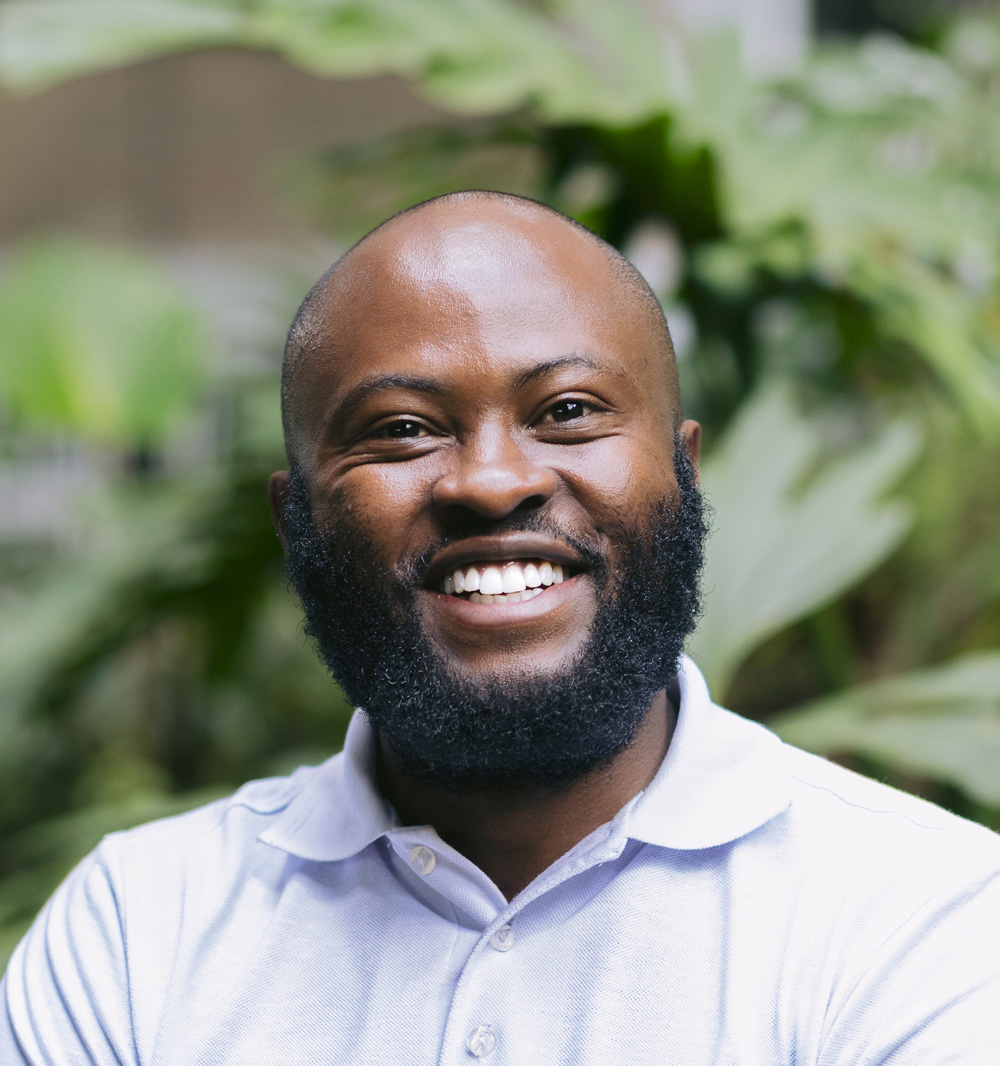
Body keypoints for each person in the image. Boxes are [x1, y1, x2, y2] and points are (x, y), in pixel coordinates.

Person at [2, 191, 999, 1065]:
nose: (489, 481)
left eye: (567, 410)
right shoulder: (140, 930)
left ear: (683, 472)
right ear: (295, 518)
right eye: (402, 428)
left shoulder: (919, 916)